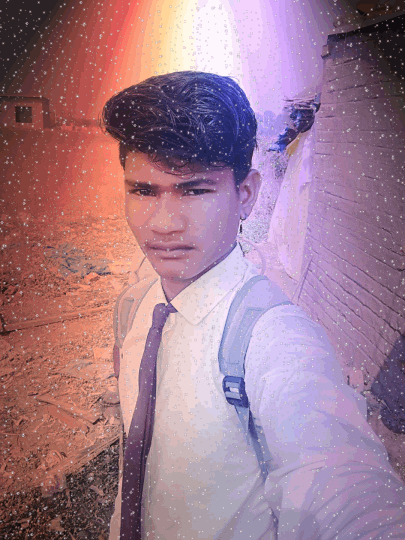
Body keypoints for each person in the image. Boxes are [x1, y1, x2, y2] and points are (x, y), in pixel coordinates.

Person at [102, 71, 404, 540]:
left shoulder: (275, 339)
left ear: (245, 195)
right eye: (143, 191)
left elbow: (341, 487)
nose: (163, 224)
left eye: (194, 190)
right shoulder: (133, 307)